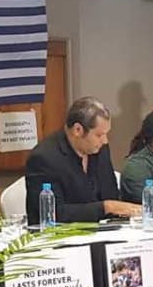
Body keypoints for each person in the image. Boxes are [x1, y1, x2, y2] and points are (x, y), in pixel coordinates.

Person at [25, 96, 140, 224]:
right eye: (99, 135)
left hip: (103, 232)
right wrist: (106, 207)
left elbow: (111, 194)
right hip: (60, 237)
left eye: (106, 134)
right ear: (78, 130)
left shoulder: (99, 149)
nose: (105, 141)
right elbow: (53, 213)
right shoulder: (44, 158)